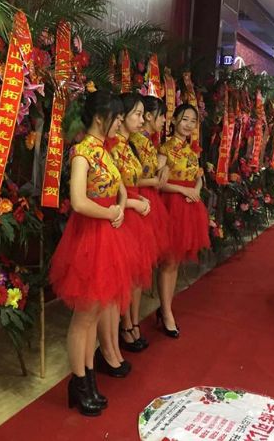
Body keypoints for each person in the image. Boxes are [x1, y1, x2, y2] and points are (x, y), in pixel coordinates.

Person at [49, 90, 131, 416]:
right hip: (88, 238)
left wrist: (120, 207)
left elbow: (120, 188)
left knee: (94, 313)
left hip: (106, 235)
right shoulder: (82, 153)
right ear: (100, 118)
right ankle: (80, 382)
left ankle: (87, 379)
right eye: (117, 118)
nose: (120, 124)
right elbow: (79, 201)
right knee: (84, 316)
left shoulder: (104, 151)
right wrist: (111, 212)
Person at [108, 93, 158, 354]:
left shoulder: (129, 145)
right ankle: (124, 327)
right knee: (124, 277)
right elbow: (108, 193)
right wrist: (133, 203)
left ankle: (132, 322)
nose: (141, 120)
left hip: (136, 212)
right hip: (123, 215)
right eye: (136, 114)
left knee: (137, 275)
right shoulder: (112, 147)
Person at [158, 103, 210, 337]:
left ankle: (166, 307)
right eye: (185, 119)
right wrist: (183, 190)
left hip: (189, 206)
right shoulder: (164, 148)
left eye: (193, 121)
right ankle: (166, 312)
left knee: (176, 261)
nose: (189, 125)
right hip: (171, 206)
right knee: (168, 261)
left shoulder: (192, 150)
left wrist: (196, 189)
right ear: (174, 120)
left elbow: (199, 175)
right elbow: (159, 183)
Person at [128, 95, 171, 348]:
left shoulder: (145, 141)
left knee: (140, 270)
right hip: (140, 201)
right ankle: (129, 324)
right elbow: (134, 178)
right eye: (161, 115)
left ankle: (132, 322)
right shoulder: (136, 141)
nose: (163, 120)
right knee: (136, 270)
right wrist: (156, 178)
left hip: (147, 201)